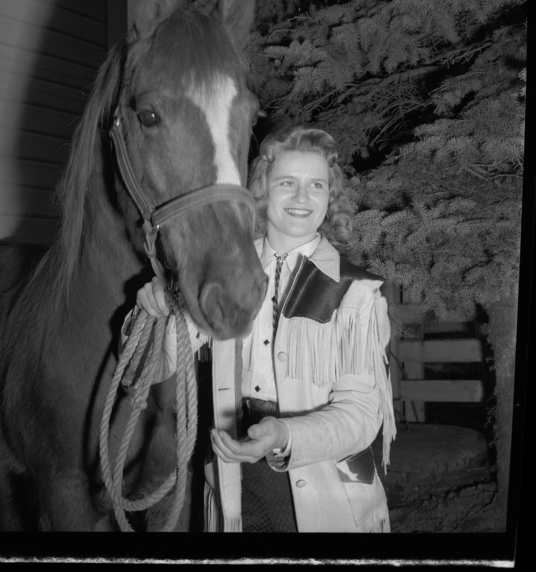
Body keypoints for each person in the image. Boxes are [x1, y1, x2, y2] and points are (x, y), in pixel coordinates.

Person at [128, 125, 396, 532]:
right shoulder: (220, 276)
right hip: (233, 476)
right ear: (262, 190)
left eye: (317, 185)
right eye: (287, 182)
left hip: (325, 491)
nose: (302, 198)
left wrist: (282, 435)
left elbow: (360, 415)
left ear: (331, 197)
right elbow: (150, 369)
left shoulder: (356, 292)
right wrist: (155, 311)